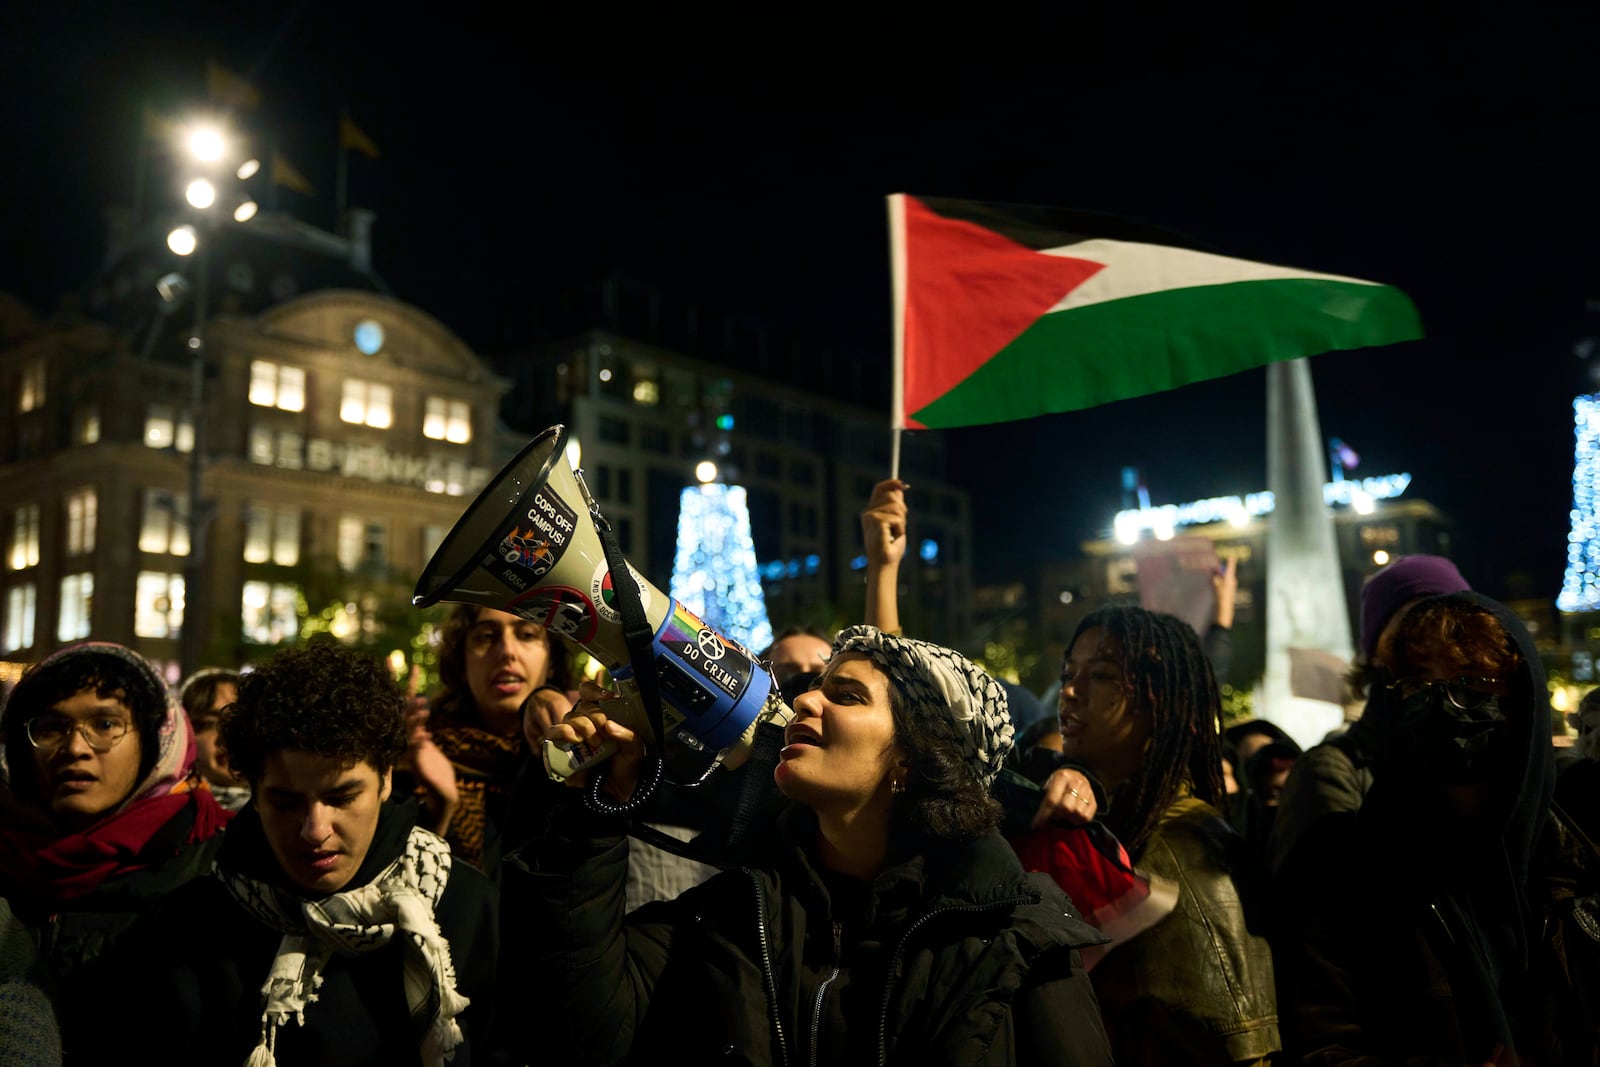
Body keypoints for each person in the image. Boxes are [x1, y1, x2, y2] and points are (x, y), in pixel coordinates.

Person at [504, 625, 1113, 1065]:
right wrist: (594, 816)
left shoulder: (1016, 939)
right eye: (815, 687)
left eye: (846, 695)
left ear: (912, 758)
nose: (803, 699)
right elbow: (587, 1031)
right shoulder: (732, 915)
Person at [99, 641, 500, 1066]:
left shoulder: (463, 904)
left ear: (385, 778)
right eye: (286, 802)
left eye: (342, 797)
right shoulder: (185, 929)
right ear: (253, 793)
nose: (315, 831)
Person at [1279, 591, 1600, 1063]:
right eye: (1416, 685)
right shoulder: (1338, 867)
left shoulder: (1575, 864)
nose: (1438, 706)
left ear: (1520, 706)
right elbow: (1322, 1045)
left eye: (1470, 684)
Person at [1029, 605, 1280, 1064]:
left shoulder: (1182, 849)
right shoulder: (1115, 822)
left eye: (1102, 675)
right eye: (1069, 672)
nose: (1069, 691)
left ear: (1161, 700)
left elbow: (1238, 1048)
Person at [0, 642, 229, 1052]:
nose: (74, 748)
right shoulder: (6, 859)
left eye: (105, 725)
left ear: (156, 739)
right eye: (52, 727)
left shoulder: (218, 868)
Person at [1268, 553, 1470, 876]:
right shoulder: (1330, 771)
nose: (1436, 635)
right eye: (1416, 621)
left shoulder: (1491, 744)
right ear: (1377, 651)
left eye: (1455, 623)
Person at [408, 605, 576, 878]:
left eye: (527, 634)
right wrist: (439, 812)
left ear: (552, 661)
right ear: (461, 663)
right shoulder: (419, 757)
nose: (507, 651)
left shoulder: (573, 755)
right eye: (486, 636)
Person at [177, 666, 250, 811]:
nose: (225, 736)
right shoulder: (172, 814)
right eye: (209, 724)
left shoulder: (298, 815)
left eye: (238, 721)